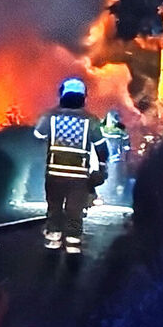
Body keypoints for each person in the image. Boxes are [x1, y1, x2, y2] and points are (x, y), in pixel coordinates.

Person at [34, 78, 108, 254]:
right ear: (83, 97)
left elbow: (37, 134)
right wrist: (102, 168)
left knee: (54, 206)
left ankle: (53, 237)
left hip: (54, 173)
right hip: (79, 177)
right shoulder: (91, 120)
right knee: (75, 210)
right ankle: (73, 243)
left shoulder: (50, 116)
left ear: (62, 95)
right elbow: (101, 146)